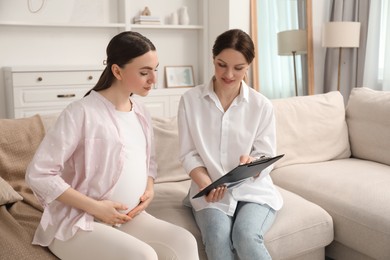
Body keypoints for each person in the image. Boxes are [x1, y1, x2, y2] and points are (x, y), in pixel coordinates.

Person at [26, 31, 199, 260]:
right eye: (144, 72)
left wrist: (149, 188)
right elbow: (39, 174)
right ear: (117, 70)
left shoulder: (141, 113)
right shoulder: (81, 112)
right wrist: (96, 207)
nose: (153, 80)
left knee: (184, 241)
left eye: (155, 70)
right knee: (144, 255)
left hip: (127, 218)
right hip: (80, 221)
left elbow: (149, 164)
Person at [178, 29, 283, 260]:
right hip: (209, 192)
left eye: (238, 68)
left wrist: (252, 162)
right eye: (221, 64)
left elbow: (266, 154)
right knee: (217, 236)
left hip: (253, 191)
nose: (228, 74)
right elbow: (188, 153)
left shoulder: (261, 105)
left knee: (245, 235)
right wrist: (206, 183)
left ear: (249, 65)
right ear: (213, 58)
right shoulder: (190, 101)